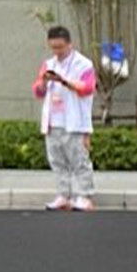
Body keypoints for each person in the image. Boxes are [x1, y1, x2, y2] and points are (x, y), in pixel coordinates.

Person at [32, 25, 97, 212]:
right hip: (53, 121)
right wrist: (44, 81)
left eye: (60, 47)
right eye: (53, 47)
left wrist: (64, 81)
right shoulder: (48, 64)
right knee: (57, 160)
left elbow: (88, 88)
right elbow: (38, 91)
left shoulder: (83, 64)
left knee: (79, 161)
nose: (57, 51)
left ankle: (84, 196)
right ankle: (63, 195)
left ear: (69, 44)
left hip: (75, 121)